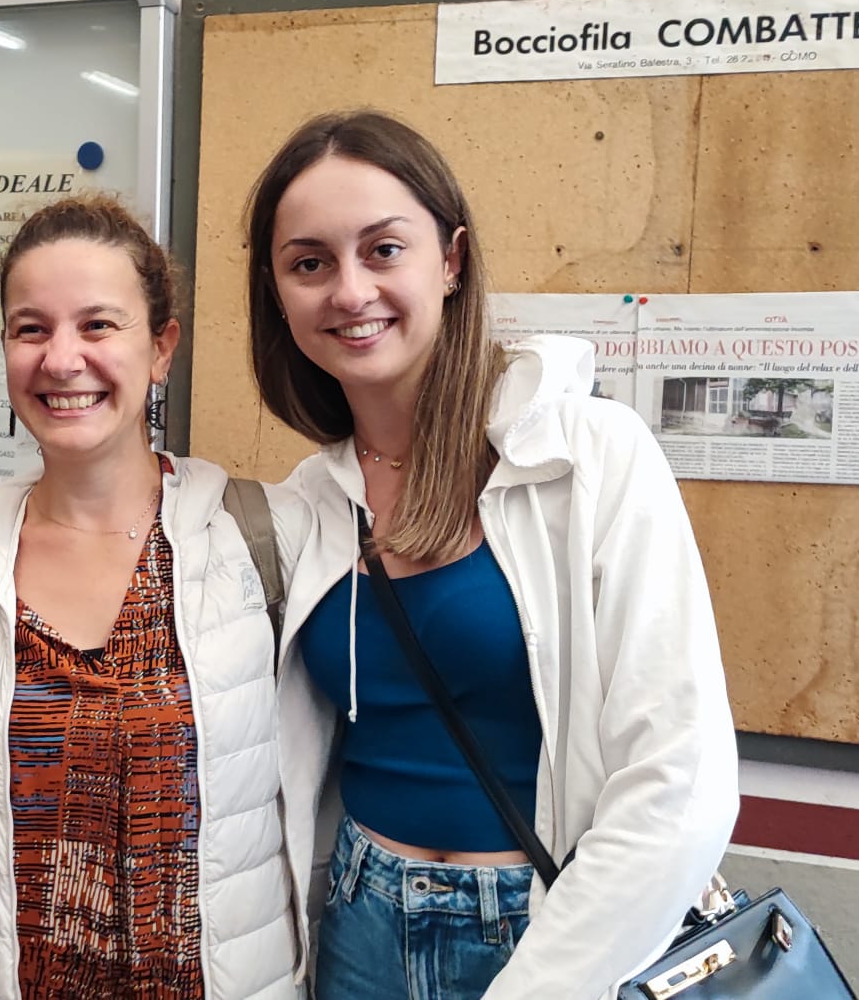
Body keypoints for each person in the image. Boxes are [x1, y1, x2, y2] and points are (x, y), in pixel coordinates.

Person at [252, 110, 739, 999]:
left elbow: (681, 781)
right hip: (359, 918)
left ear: (452, 260)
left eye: (384, 250)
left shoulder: (587, 457)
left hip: (545, 928)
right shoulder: (310, 502)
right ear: (279, 294)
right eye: (309, 263)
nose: (350, 291)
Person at [0, 196, 326, 1000]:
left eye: (98, 325)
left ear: (162, 348)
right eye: (31, 329)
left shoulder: (265, 542)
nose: (62, 360)